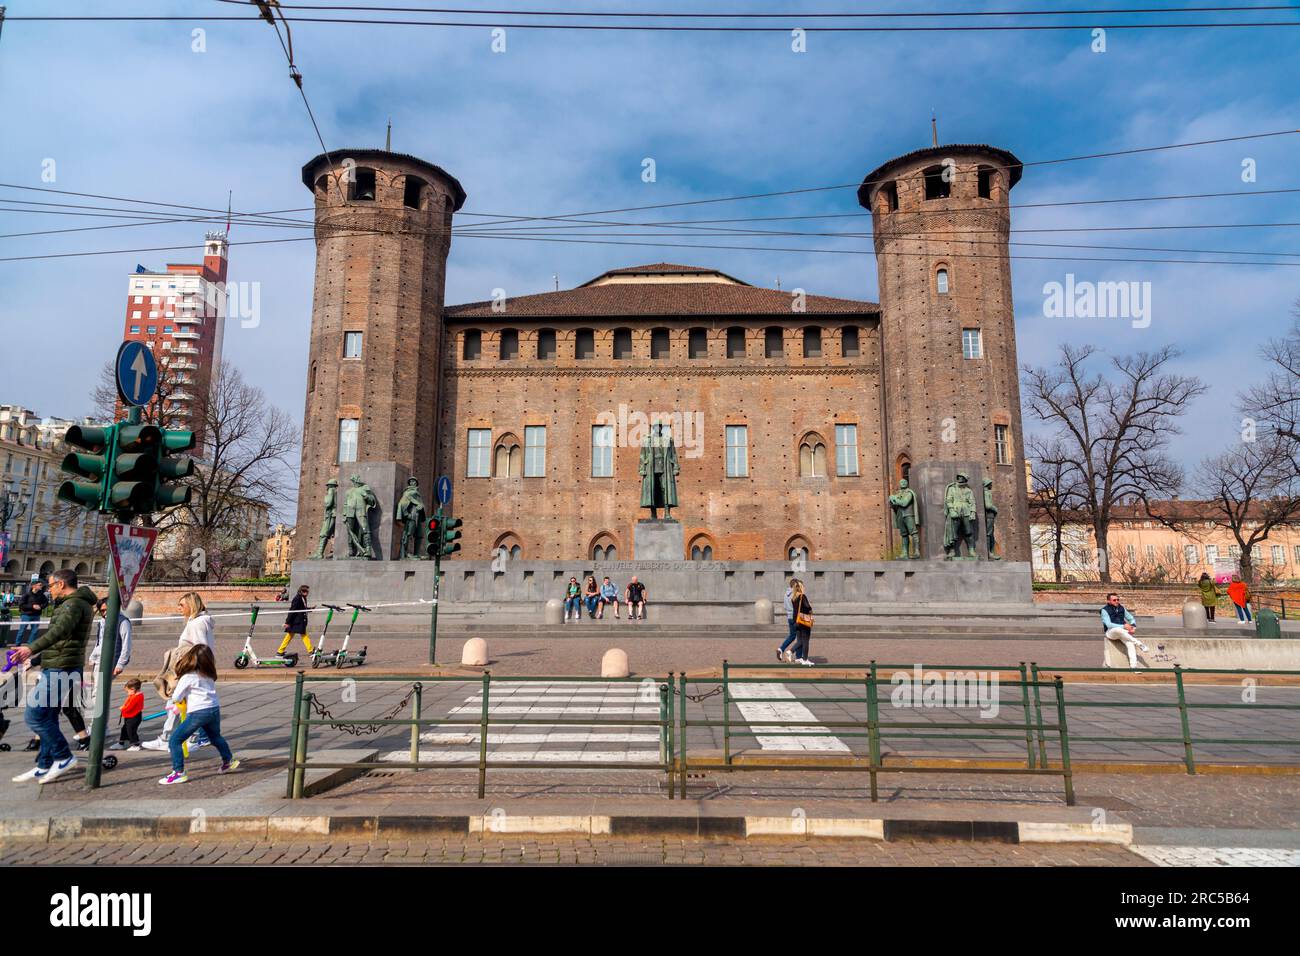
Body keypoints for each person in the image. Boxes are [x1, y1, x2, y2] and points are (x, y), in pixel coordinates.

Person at [9, 569, 96, 785]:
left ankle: (64, 756)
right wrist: (36, 659)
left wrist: (30, 649)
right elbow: (59, 640)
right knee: (47, 716)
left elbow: (60, 633)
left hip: (62, 668)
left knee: (34, 715)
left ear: (61, 584)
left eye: (51, 585)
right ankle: (44, 765)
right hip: (59, 664)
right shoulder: (72, 603)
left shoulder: (74, 604)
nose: (49, 590)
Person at [142, 591, 213, 751]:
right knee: (181, 703)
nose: (179, 608)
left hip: (191, 670)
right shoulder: (200, 622)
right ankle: (186, 737)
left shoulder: (196, 624)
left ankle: (174, 738)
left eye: (182, 605)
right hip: (194, 669)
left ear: (191, 605)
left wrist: (194, 668)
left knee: (177, 701)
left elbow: (201, 648)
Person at [159, 645, 239, 785]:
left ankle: (178, 772)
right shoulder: (209, 675)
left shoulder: (188, 676)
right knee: (215, 737)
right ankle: (228, 761)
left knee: (175, 740)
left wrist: (179, 697)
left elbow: (177, 697)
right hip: (214, 709)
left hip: (198, 712)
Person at [1101, 591, 1149, 668]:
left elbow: (1131, 618)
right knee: (1117, 629)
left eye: (1117, 599)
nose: (1117, 601)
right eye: (1114, 600)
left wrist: (1133, 627)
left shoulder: (1121, 608)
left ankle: (1133, 666)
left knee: (1130, 644)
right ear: (1108, 601)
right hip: (1111, 632)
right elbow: (1108, 624)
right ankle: (1139, 643)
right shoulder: (1104, 610)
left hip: (1123, 632)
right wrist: (1124, 626)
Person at [109, 678, 145, 751]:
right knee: (125, 729)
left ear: (133, 689)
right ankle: (121, 743)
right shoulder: (135, 695)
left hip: (133, 717)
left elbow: (129, 706)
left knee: (131, 730)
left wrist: (122, 708)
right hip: (131, 716)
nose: (127, 693)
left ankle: (136, 744)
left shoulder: (136, 697)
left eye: (127, 691)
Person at [278, 585, 315, 655]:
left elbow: (302, 608)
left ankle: (280, 651)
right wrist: (287, 622)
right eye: (305, 591)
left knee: (292, 635)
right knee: (300, 635)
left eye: (307, 591)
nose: (307, 593)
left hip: (299, 621)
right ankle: (311, 650)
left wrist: (310, 609)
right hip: (296, 621)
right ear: (301, 591)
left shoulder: (302, 598)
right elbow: (292, 610)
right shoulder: (297, 598)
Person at [15, 576, 48, 646]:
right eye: (40, 585)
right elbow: (21, 605)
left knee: (35, 631)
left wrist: (41, 607)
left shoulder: (41, 595)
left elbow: (46, 603)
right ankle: (17, 644)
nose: (41, 586)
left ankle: (30, 644)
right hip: (26, 615)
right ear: (34, 586)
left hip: (36, 615)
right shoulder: (26, 595)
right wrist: (32, 606)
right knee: (22, 631)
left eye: (41, 585)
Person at [790, 580, 814, 666]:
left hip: (796, 621)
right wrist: (810, 609)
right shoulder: (802, 596)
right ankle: (805, 659)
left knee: (800, 640)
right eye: (802, 585)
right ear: (800, 587)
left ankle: (790, 651)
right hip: (804, 621)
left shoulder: (793, 598)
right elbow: (807, 607)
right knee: (806, 640)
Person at [778, 578, 801, 662]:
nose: (799, 586)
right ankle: (798, 657)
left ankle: (781, 649)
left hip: (789, 617)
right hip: (796, 617)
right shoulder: (795, 594)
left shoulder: (785, 594)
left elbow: (785, 606)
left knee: (792, 636)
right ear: (795, 585)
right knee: (800, 637)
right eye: (797, 585)